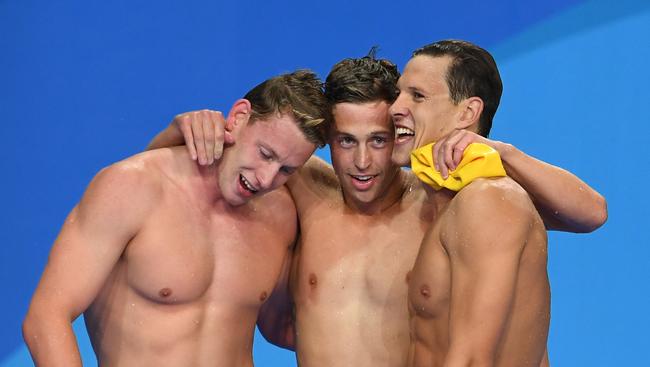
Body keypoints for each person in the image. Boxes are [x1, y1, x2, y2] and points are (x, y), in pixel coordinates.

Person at [149, 50, 606, 366]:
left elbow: (589, 213)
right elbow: (183, 180)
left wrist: (505, 152)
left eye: (379, 140)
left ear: (400, 135)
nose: (363, 162)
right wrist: (182, 130)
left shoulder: (441, 203)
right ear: (325, 142)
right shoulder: (303, 187)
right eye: (346, 142)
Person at [22, 70, 329, 367]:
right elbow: (47, 316)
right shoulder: (132, 187)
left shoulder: (281, 216)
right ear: (238, 117)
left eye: (287, 170)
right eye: (265, 153)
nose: (266, 178)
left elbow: (279, 326)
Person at [390, 39, 556, 366]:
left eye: (417, 96)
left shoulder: (489, 200)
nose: (395, 108)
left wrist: (505, 151)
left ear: (467, 113)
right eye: (399, 93)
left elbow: (472, 359)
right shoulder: (441, 200)